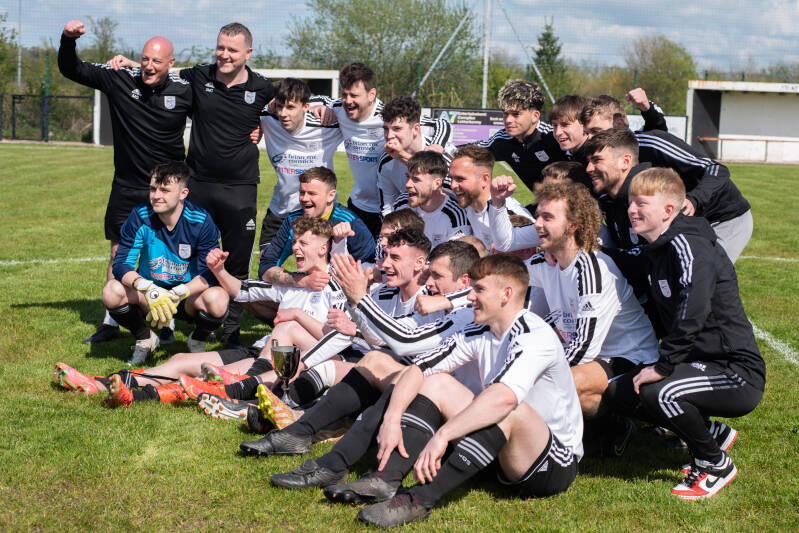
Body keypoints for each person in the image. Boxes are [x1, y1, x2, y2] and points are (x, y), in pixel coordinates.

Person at [355, 255, 583, 527]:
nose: (470, 297)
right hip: (500, 451)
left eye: (479, 290)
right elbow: (418, 369)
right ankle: (386, 478)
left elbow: (504, 398)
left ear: (506, 294)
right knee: (434, 381)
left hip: (552, 462)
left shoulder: (534, 335)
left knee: (508, 406)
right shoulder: (479, 330)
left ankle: (419, 499)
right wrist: (391, 419)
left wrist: (444, 434)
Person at [110, 22, 276, 346]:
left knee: (237, 260)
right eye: (220, 48)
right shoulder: (200, 76)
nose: (224, 55)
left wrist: (274, 124)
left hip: (240, 187)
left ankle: (230, 333)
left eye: (232, 50)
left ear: (248, 53)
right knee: (181, 253)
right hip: (197, 181)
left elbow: (287, 109)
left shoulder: (263, 88)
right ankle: (175, 316)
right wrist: (132, 65)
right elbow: (165, 72)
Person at [606, 167, 765, 500]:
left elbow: (693, 309)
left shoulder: (687, 242)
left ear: (668, 210)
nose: (632, 209)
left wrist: (663, 366)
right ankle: (710, 433)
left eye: (642, 202)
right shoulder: (656, 249)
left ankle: (715, 463)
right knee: (618, 392)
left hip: (734, 371)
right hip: (696, 364)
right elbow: (620, 261)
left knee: (658, 392)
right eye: (631, 201)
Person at [58, 20, 192, 344]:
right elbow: (72, 68)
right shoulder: (118, 79)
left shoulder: (185, 90)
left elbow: (221, 107)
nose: (148, 66)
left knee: (166, 254)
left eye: (156, 61)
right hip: (128, 186)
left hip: (166, 188)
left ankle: (166, 323)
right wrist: (67, 40)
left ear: (170, 64)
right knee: (119, 250)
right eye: (144, 58)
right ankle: (111, 322)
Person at [580, 96, 753, 263]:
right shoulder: (599, 160)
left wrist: (694, 199)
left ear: (618, 125)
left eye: (596, 131)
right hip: (681, 222)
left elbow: (717, 169)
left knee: (704, 272)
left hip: (722, 216)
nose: (590, 139)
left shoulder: (651, 142)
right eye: (586, 133)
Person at [99, 161, 228, 365]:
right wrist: (147, 287)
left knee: (219, 299)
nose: (156, 195)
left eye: (165, 190)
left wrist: (179, 292)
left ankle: (197, 341)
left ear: (183, 193)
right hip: (150, 294)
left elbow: (210, 273)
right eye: (153, 188)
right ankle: (146, 339)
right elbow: (121, 264)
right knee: (111, 291)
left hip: (186, 296)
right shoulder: (140, 216)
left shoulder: (201, 220)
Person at [311, 63, 451, 237]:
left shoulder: (387, 115)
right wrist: (319, 108)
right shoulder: (339, 108)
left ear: (372, 95)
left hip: (392, 203)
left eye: (354, 95)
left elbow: (441, 123)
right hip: (359, 203)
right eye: (344, 94)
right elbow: (310, 100)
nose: (348, 101)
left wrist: (437, 145)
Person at [258, 167, 375, 297]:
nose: (304, 198)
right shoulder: (292, 220)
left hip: (342, 294)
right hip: (307, 287)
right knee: (251, 295)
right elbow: (265, 267)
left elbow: (372, 268)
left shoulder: (349, 222)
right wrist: (302, 281)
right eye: (302, 192)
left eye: (312, 194)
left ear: (331, 196)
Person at [256, 78, 342, 248]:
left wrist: (326, 106)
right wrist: (254, 126)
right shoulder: (267, 118)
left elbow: (350, 105)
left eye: (290, 107)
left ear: (306, 106)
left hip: (321, 215)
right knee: (266, 269)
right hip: (280, 213)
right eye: (280, 106)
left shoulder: (327, 125)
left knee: (322, 272)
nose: (283, 113)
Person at [477, 79, 564, 193]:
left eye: (516, 114)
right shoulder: (501, 139)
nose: (508, 120)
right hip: (525, 207)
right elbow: (470, 151)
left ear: (535, 116)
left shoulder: (552, 137)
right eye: (505, 114)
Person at [378, 96, 455, 213]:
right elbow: (388, 206)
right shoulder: (386, 161)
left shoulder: (442, 154)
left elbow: (453, 197)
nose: (389, 136)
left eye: (397, 129)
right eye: (386, 129)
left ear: (416, 129)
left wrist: (403, 156)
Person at [447, 145, 531, 249]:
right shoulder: (469, 202)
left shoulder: (508, 214)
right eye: (451, 178)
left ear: (484, 179)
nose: (452, 185)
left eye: (460, 179)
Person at [391, 151, 471, 248]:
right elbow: (386, 240)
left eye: (416, 179)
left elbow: (454, 258)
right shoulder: (402, 203)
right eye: (407, 177)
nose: (407, 184)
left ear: (436, 184)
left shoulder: (454, 214)